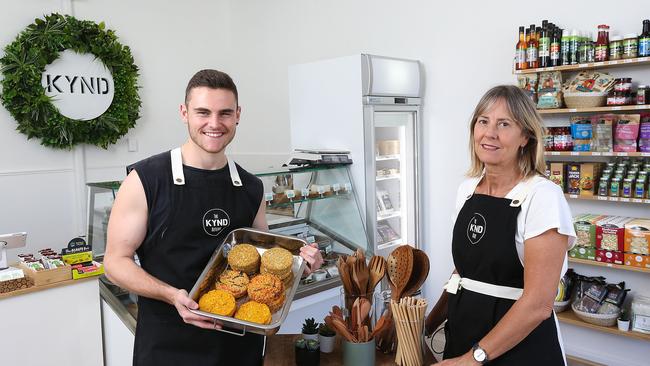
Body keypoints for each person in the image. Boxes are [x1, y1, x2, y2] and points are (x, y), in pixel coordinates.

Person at [103, 69, 323, 366]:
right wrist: (171, 295)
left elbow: (264, 264)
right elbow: (115, 263)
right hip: (168, 346)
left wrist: (300, 266)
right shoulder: (146, 179)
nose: (214, 123)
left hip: (238, 348)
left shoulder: (251, 187)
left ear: (238, 115)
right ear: (184, 112)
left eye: (225, 113)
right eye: (203, 112)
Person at [425, 85, 575, 365]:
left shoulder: (542, 197)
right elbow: (466, 272)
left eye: (504, 124)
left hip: (520, 349)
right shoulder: (467, 190)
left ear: (526, 137)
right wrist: (426, 325)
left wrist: (473, 359)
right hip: (461, 337)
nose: (490, 133)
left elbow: (538, 305)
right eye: (483, 121)